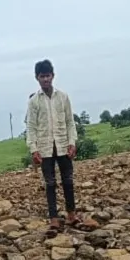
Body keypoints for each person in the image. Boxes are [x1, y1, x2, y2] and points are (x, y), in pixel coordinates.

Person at [25, 59, 78, 231]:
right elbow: (31, 127)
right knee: (50, 183)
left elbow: (70, 122)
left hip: (63, 145)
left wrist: (72, 142)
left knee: (68, 180)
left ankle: (71, 214)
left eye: (48, 76)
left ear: (53, 76)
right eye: (42, 76)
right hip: (45, 148)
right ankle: (53, 218)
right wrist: (34, 149)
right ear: (37, 78)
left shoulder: (63, 97)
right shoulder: (34, 102)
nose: (45, 79)